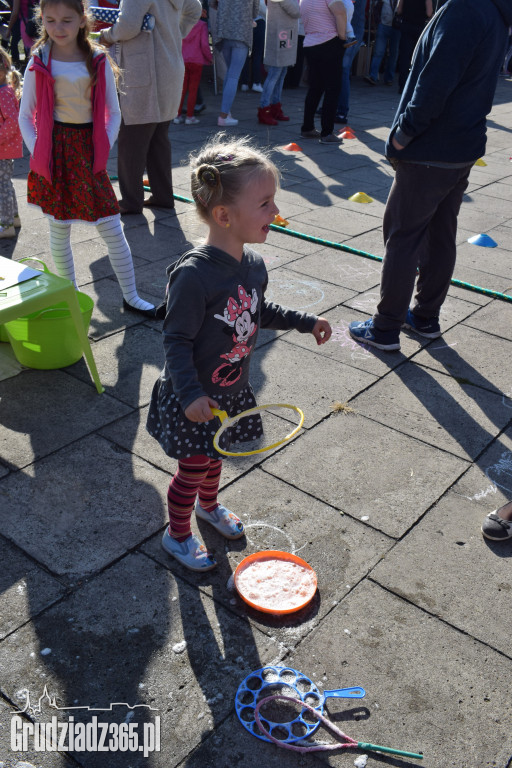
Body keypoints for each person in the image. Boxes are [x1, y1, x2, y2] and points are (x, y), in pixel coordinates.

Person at [146, 135, 332, 571]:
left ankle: (208, 507)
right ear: (224, 215)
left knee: (216, 459)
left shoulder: (253, 265)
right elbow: (175, 341)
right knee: (192, 469)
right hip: (195, 395)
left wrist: (306, 322)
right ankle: (176, 535)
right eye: (265, 203)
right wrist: (190, 394)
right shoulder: (194, 276)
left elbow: (258, 310)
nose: (276, 212)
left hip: (229, 392)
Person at [349, 0, 512, 352]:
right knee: (440, 233)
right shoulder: (491, 10)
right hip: (460, 145)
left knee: (404, 236)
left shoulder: (468, 8)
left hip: (431, 146)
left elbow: (436, 81)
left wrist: (403, 134)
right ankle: (424, 317)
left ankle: (385, 328)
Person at [18, 0, 156, 316]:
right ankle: (70, 299)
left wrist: (101, 150)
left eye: (67, 20)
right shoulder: (39, 59)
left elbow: (113, 112)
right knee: (59, 227)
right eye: (50, 20)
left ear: (83, 20)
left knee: (111, 225)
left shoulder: (97, 59)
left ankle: (131, 296)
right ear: (42, 20)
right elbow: (26, 115)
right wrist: (39, 150)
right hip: (54, 152)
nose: (58, 27)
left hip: (87, 151)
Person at [99, 0, 202, 215]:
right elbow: (195, 9)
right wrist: (175, 31)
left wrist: (107, 36)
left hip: (145, 71)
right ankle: (163, 196)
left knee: (131, 140)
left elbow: (127, 26)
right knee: (158, 138)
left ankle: (131, 200)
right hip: (169, 67)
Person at [299, 0, 350, 144]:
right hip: (329, 41)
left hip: (310, 42)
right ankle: (327, 132)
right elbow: (340, 12)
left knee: (315, 87)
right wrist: (342, 37)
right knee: (333, 88)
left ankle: (307, 127)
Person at [211, 0, 260, 126]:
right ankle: (223, 115)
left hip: (224, 30)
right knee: (233, 75)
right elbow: (255, 11)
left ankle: (226, 111)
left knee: (230, 73)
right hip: (241, 31)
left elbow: (212, 3)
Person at [257, 0, 300, 125]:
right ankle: (264, 109)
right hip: (280, 35)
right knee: (275, 74)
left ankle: (275, 107)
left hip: (284, 34)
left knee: (281, 73)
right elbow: (296, 11)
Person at [174, 10, 212, 126]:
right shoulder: (202, 25)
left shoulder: (180, 23)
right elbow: (205, 45)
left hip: (183, 59)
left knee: (182, 89)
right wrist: (210, 58)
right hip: (196, 60)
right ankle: (190, 116)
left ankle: (177, 115)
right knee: (193, 90)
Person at [0, 48, 22, 238]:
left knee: (2, 186)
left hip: (3, 148)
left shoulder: (3, 93)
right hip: (5, 148)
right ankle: (13, 218)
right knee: (5, 184)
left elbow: (12, 121)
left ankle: (5, 224)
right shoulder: (4, 91)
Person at [396, 0, 432, 92]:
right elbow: (429, 12)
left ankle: (402, 85)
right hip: (419, 27)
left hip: (406, 25)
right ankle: (414, 85)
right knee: (417, 57)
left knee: (404, 56)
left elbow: (399, 10)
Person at [365, 0, 401, 86]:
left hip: (397, 27)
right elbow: (375, 8)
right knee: (378, 51)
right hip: (383, 25)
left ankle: (389, 78)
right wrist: (377, 23)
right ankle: (373, 76)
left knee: (394, 53)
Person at [240, 0, 266, 92]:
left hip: (244, 23)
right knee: (257, 55)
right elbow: (262, 8)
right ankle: (256, 82)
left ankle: (244, 83)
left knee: (244, 54)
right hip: (258, 22)